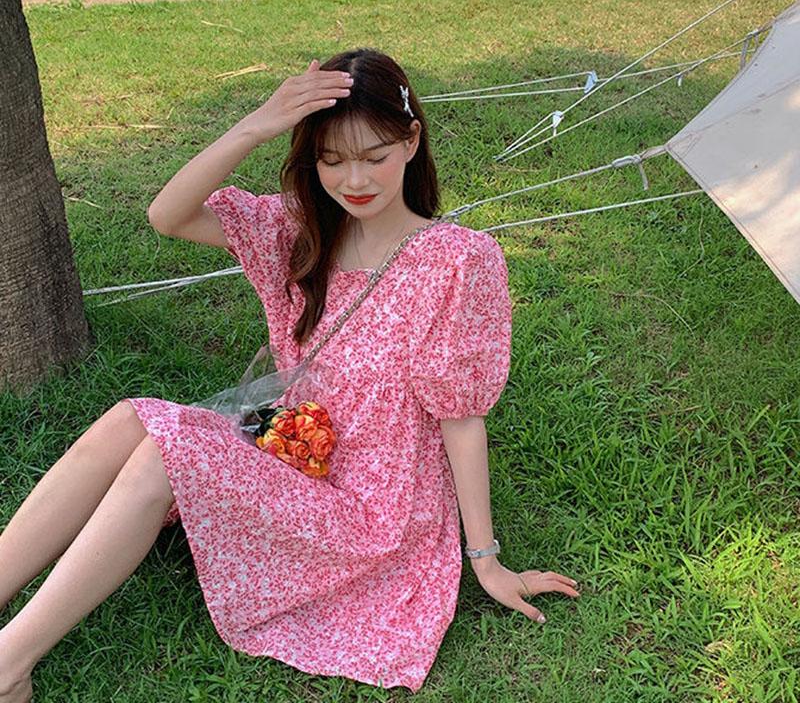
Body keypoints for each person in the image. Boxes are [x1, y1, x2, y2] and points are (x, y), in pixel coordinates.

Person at [0, 48, 579, 700]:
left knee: (164, 457)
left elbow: (462, 419)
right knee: (128, 419)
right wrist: (257, 124)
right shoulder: (301, 230)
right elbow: (168, 215)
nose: (354, 179)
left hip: (375, 506)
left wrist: (487, 561)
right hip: (295, 444)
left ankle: (9, 665)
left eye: (374, 156)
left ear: (412, 141)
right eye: (331, 160)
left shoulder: (458, 260)